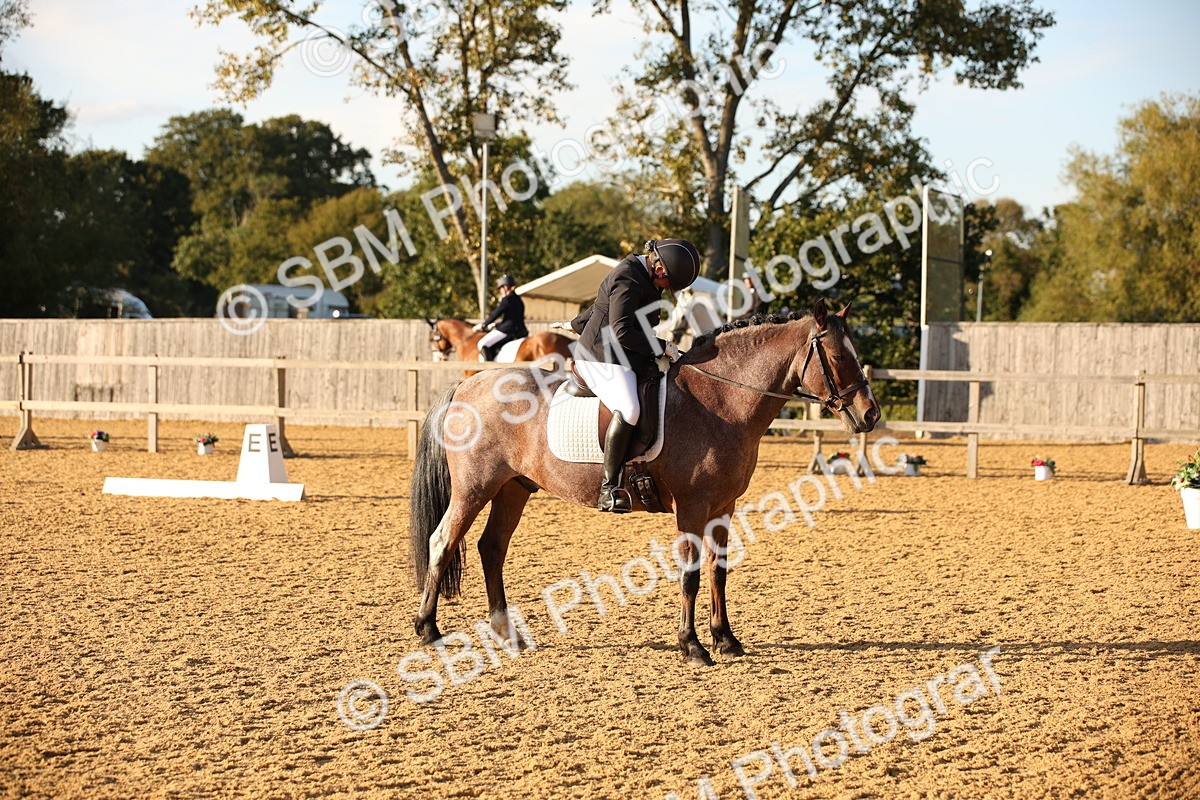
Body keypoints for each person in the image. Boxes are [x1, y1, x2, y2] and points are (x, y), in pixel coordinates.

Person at [568, 238, 701, 513]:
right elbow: (621, 330)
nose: (665, 290)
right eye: (668, 285)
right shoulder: (628, 276)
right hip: (600, 356)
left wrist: (576, 323)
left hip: (627, 354)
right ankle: (609, 488)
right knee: (629, 409)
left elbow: (599, 307)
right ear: (660, 269)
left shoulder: (643, 275)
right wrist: (662, 346)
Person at [474, 275, 528, 361]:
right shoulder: (519, 300)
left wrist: (484, 325)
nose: (500, 291)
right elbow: (512, 318)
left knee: (482, 344)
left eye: (501, 288)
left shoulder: (507, 299)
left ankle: (489, 369)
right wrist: (496, 324)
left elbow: (495, 314)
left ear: (505, 287)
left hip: (508, 330)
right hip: (520, 330)